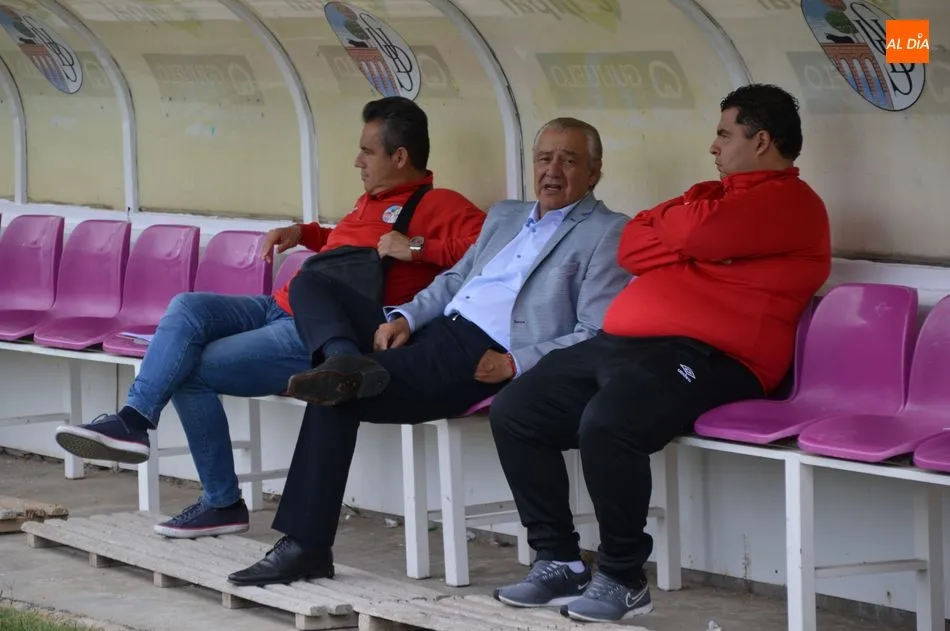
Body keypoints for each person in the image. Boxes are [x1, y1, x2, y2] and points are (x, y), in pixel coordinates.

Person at [223, 117, 632, 587]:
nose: (552, 170)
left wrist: (516, 362)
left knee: (336, 393)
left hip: (481, 352)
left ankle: (305, 546)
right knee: (313, 282)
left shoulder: (607, 231)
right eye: (544, 158)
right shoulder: (507, 215)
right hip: (433, 330)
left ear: (594, 172)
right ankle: (341, 356)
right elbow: (455, 280)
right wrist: (406, 318)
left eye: (569, 160)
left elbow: (593, 331)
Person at [53, 96, 486, 539]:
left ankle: (221, 502)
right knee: (186, 306)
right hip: (276, 305)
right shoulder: (369, 199)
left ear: (400, 157)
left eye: (367, 152)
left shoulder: (439, 205)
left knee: (189, 370)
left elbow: (493, 247)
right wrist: (301, 233)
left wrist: (416, 248)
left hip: (311, 333)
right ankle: (134, 419)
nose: (357, 161)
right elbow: (343, 247)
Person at [488, 84, 832, 623]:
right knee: (517, 409)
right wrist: (689, 238)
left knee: (609, 423)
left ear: (761, 141)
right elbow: (634, 243)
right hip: (624, 346)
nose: (713, 146)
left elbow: (704, 234)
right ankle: (558, 560)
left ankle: (622, 577)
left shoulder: (791, 202)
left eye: (724, 134)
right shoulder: (711, 195)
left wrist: (684, 239)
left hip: (717, 357)